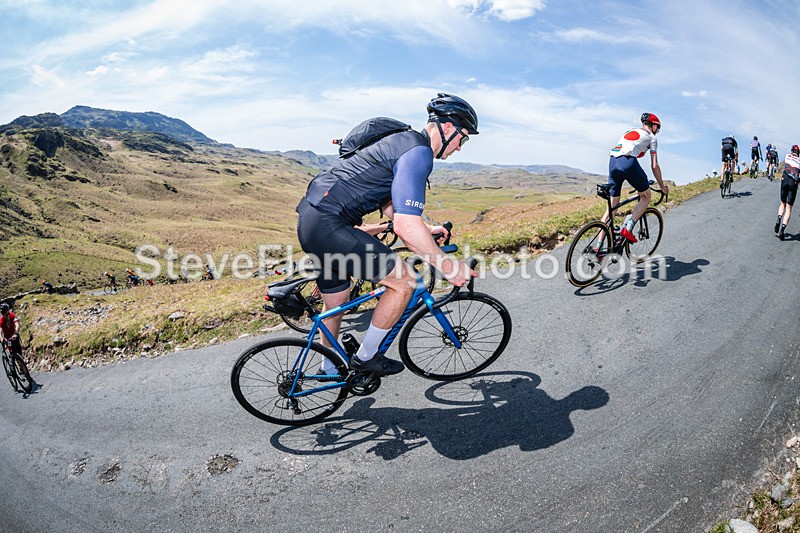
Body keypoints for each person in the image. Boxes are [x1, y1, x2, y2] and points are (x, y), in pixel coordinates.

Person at [295, 93, 478, 375]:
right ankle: (366, 358)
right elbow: (405, 227)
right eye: (462, 139)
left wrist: (427, 229)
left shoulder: (402, 141)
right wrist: (447, 265)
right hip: (330, 225)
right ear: (448, 127)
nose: (459, 148)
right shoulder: (419, 153)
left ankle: (328, 369)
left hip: (311, 219)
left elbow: (392, 206)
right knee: (405, 282)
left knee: (337, 300)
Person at [604, 113, 669, 243]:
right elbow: (654, 165)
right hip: (627, 162)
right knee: (646, 196)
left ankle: (598, 247)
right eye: (657, 128)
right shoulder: (652, 138)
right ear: (654, 126)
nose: (657, 131)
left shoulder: (629, 130)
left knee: (611, 208)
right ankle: (627, 229)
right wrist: (662, 186)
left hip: (612, 161)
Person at [774, 144, 800, 240]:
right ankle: (782, 230)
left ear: (792, 151)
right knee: (789, 208)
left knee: (782, 204)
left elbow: (786, 166)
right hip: (793, 182)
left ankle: (779, 218)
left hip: (785, 179)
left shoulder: (787, 156)